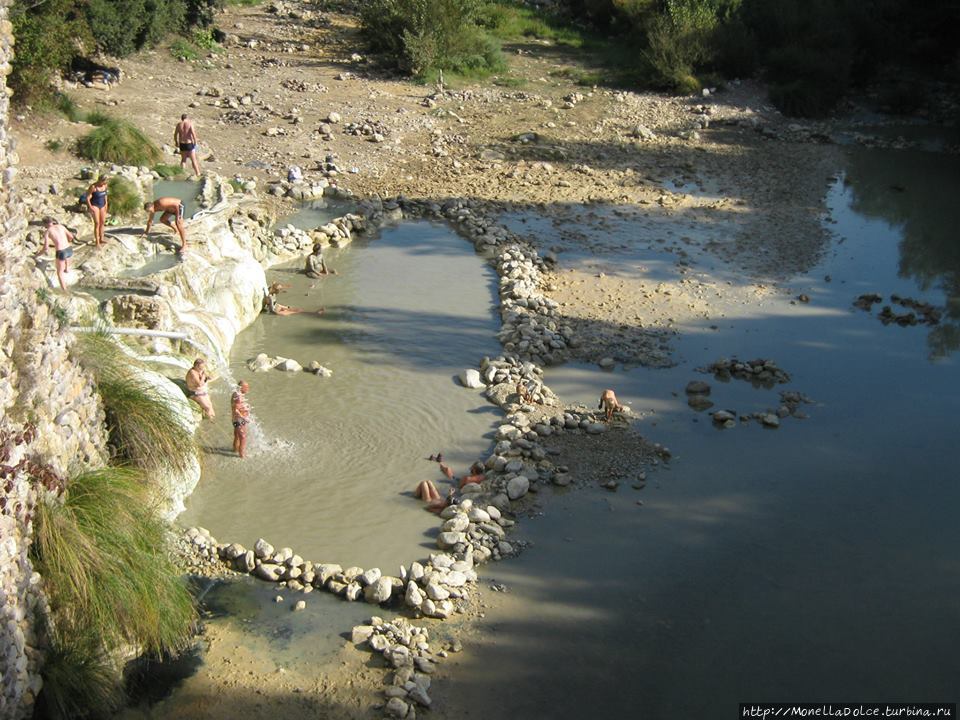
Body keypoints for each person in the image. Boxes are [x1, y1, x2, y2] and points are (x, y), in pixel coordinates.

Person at [37, 217, 75, 292]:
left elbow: (45, 247)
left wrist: (38, 255)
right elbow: (71, 236)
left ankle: (65, 291)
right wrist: (67, 241)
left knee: (59, 273)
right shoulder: (61, 226)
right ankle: (66, 269)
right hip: (69, 249)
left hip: (61, 252)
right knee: (66, 257)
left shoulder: (47, 232)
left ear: (44, 224)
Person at [85, 175, 109, 248]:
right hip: (95, 205)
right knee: (97, 223)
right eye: (104, 181)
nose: (105, 183)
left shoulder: (105, 186)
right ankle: (97, 242)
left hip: (102, 204)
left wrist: (106, 204)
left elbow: (105, 195)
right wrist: (90, 206)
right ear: (100, 180)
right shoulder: (93, 187)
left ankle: (101, 238)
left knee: (102, 222)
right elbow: (88, 197)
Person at [231, 381, 251, 459]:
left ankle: (235, 449)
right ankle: (242, 455)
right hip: (239, 420)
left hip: (236, 420)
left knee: (237, 434)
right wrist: (244, 418)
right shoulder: (238, 397)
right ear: (241, 388)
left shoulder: (236, 394)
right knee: (243, 437)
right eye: (246, 387)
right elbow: (236, 410)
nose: (248, 389)